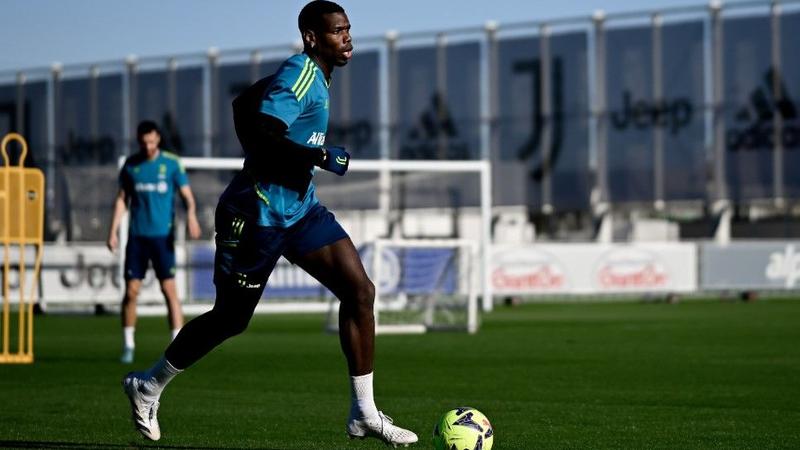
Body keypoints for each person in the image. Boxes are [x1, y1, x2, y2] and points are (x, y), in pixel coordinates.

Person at [121, 1, 418, 446]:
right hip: (255, 216)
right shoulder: (299, 73)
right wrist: (316, 155)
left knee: (360, 291)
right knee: (230, 320)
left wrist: (299, 161)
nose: (348, 38)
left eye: (349, 29)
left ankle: (363, 412)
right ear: (312, 37)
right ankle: (148, 387)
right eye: (337, 31)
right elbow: (262, 130)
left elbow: (242, 105)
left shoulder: (314, 75)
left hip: (300, 211)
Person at [108, 120, 202, 364]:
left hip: (163, 237)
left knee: (169, 290)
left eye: (151, 141)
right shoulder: (131, 165)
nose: (148, 146)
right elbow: (121, 200)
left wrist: (191, 215)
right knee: (131, 292)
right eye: (143, 142)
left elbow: (187, 196)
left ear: (158, 138)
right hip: (138, 238)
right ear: (139, 141)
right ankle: (128, 344)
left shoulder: (171, 163)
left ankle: (178, 344)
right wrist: (113, 230)